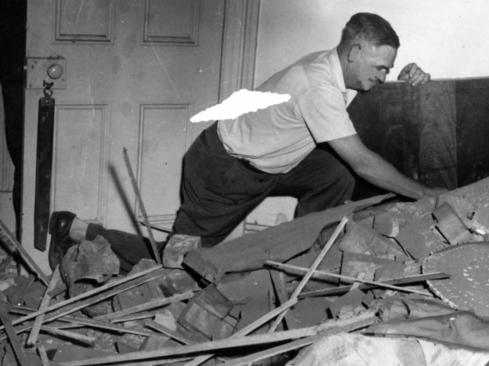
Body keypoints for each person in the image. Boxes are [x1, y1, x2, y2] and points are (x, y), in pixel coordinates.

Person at [48, 12, 446, 272]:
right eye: (381, 67)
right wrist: (427, 194)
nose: (382, 74)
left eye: (387, 69)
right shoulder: (317, 84)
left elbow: (362, 92)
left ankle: (306, 252)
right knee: (179, 260)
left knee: (332, 172)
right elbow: (363, 162)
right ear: (355, 52)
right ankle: (79, 230)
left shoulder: (336, 67)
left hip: (272, 165)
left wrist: (403, 77)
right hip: (223, 171)